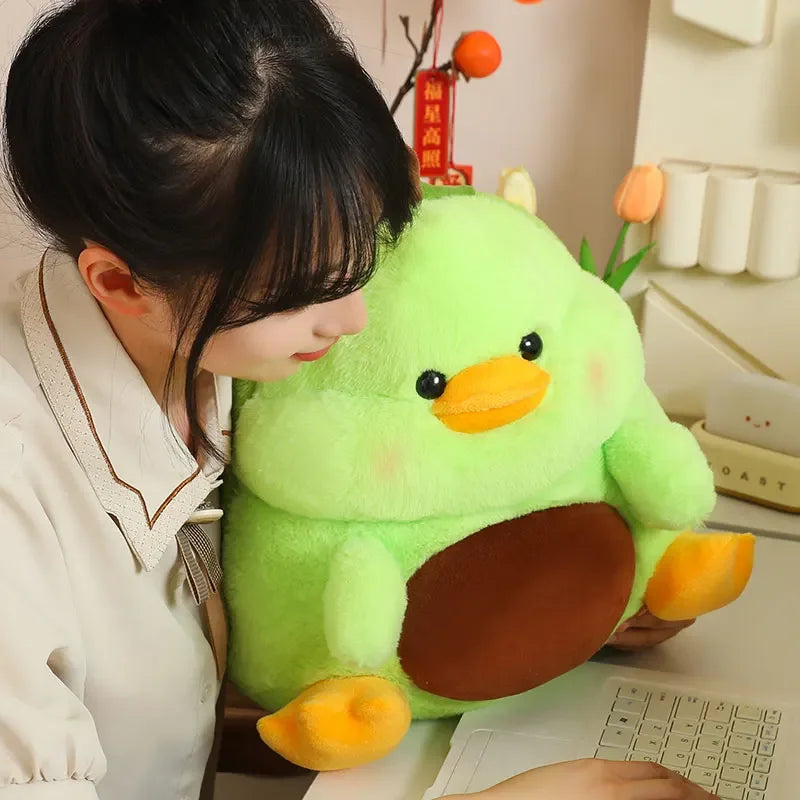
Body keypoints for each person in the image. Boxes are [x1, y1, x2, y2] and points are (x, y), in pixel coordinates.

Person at [0, 1, 712, 797]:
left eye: (363, 257)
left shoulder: (208, 345)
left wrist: (565, 611)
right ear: (121, 282)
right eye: (299, 295)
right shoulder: (17, 492)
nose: (352, 320)